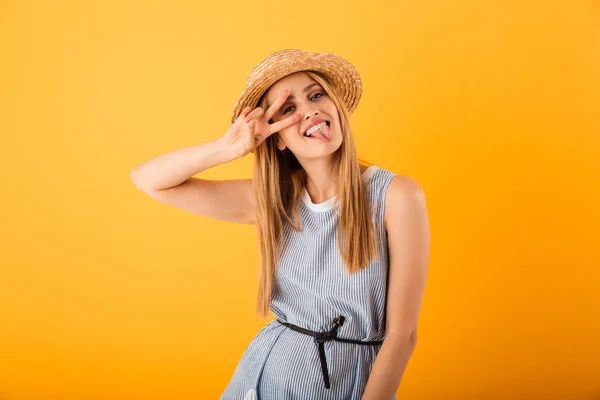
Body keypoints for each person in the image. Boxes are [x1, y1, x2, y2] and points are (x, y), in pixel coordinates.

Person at [130, 48, 430, 400]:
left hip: (348, 384)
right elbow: (148, 180)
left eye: (316, 95)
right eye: (289, 110)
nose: (310, 110)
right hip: (261, 378)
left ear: (336, 106)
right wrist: (228, 148)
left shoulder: (396, 196)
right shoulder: (274, 201)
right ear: (279, 139)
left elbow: (402, 335)